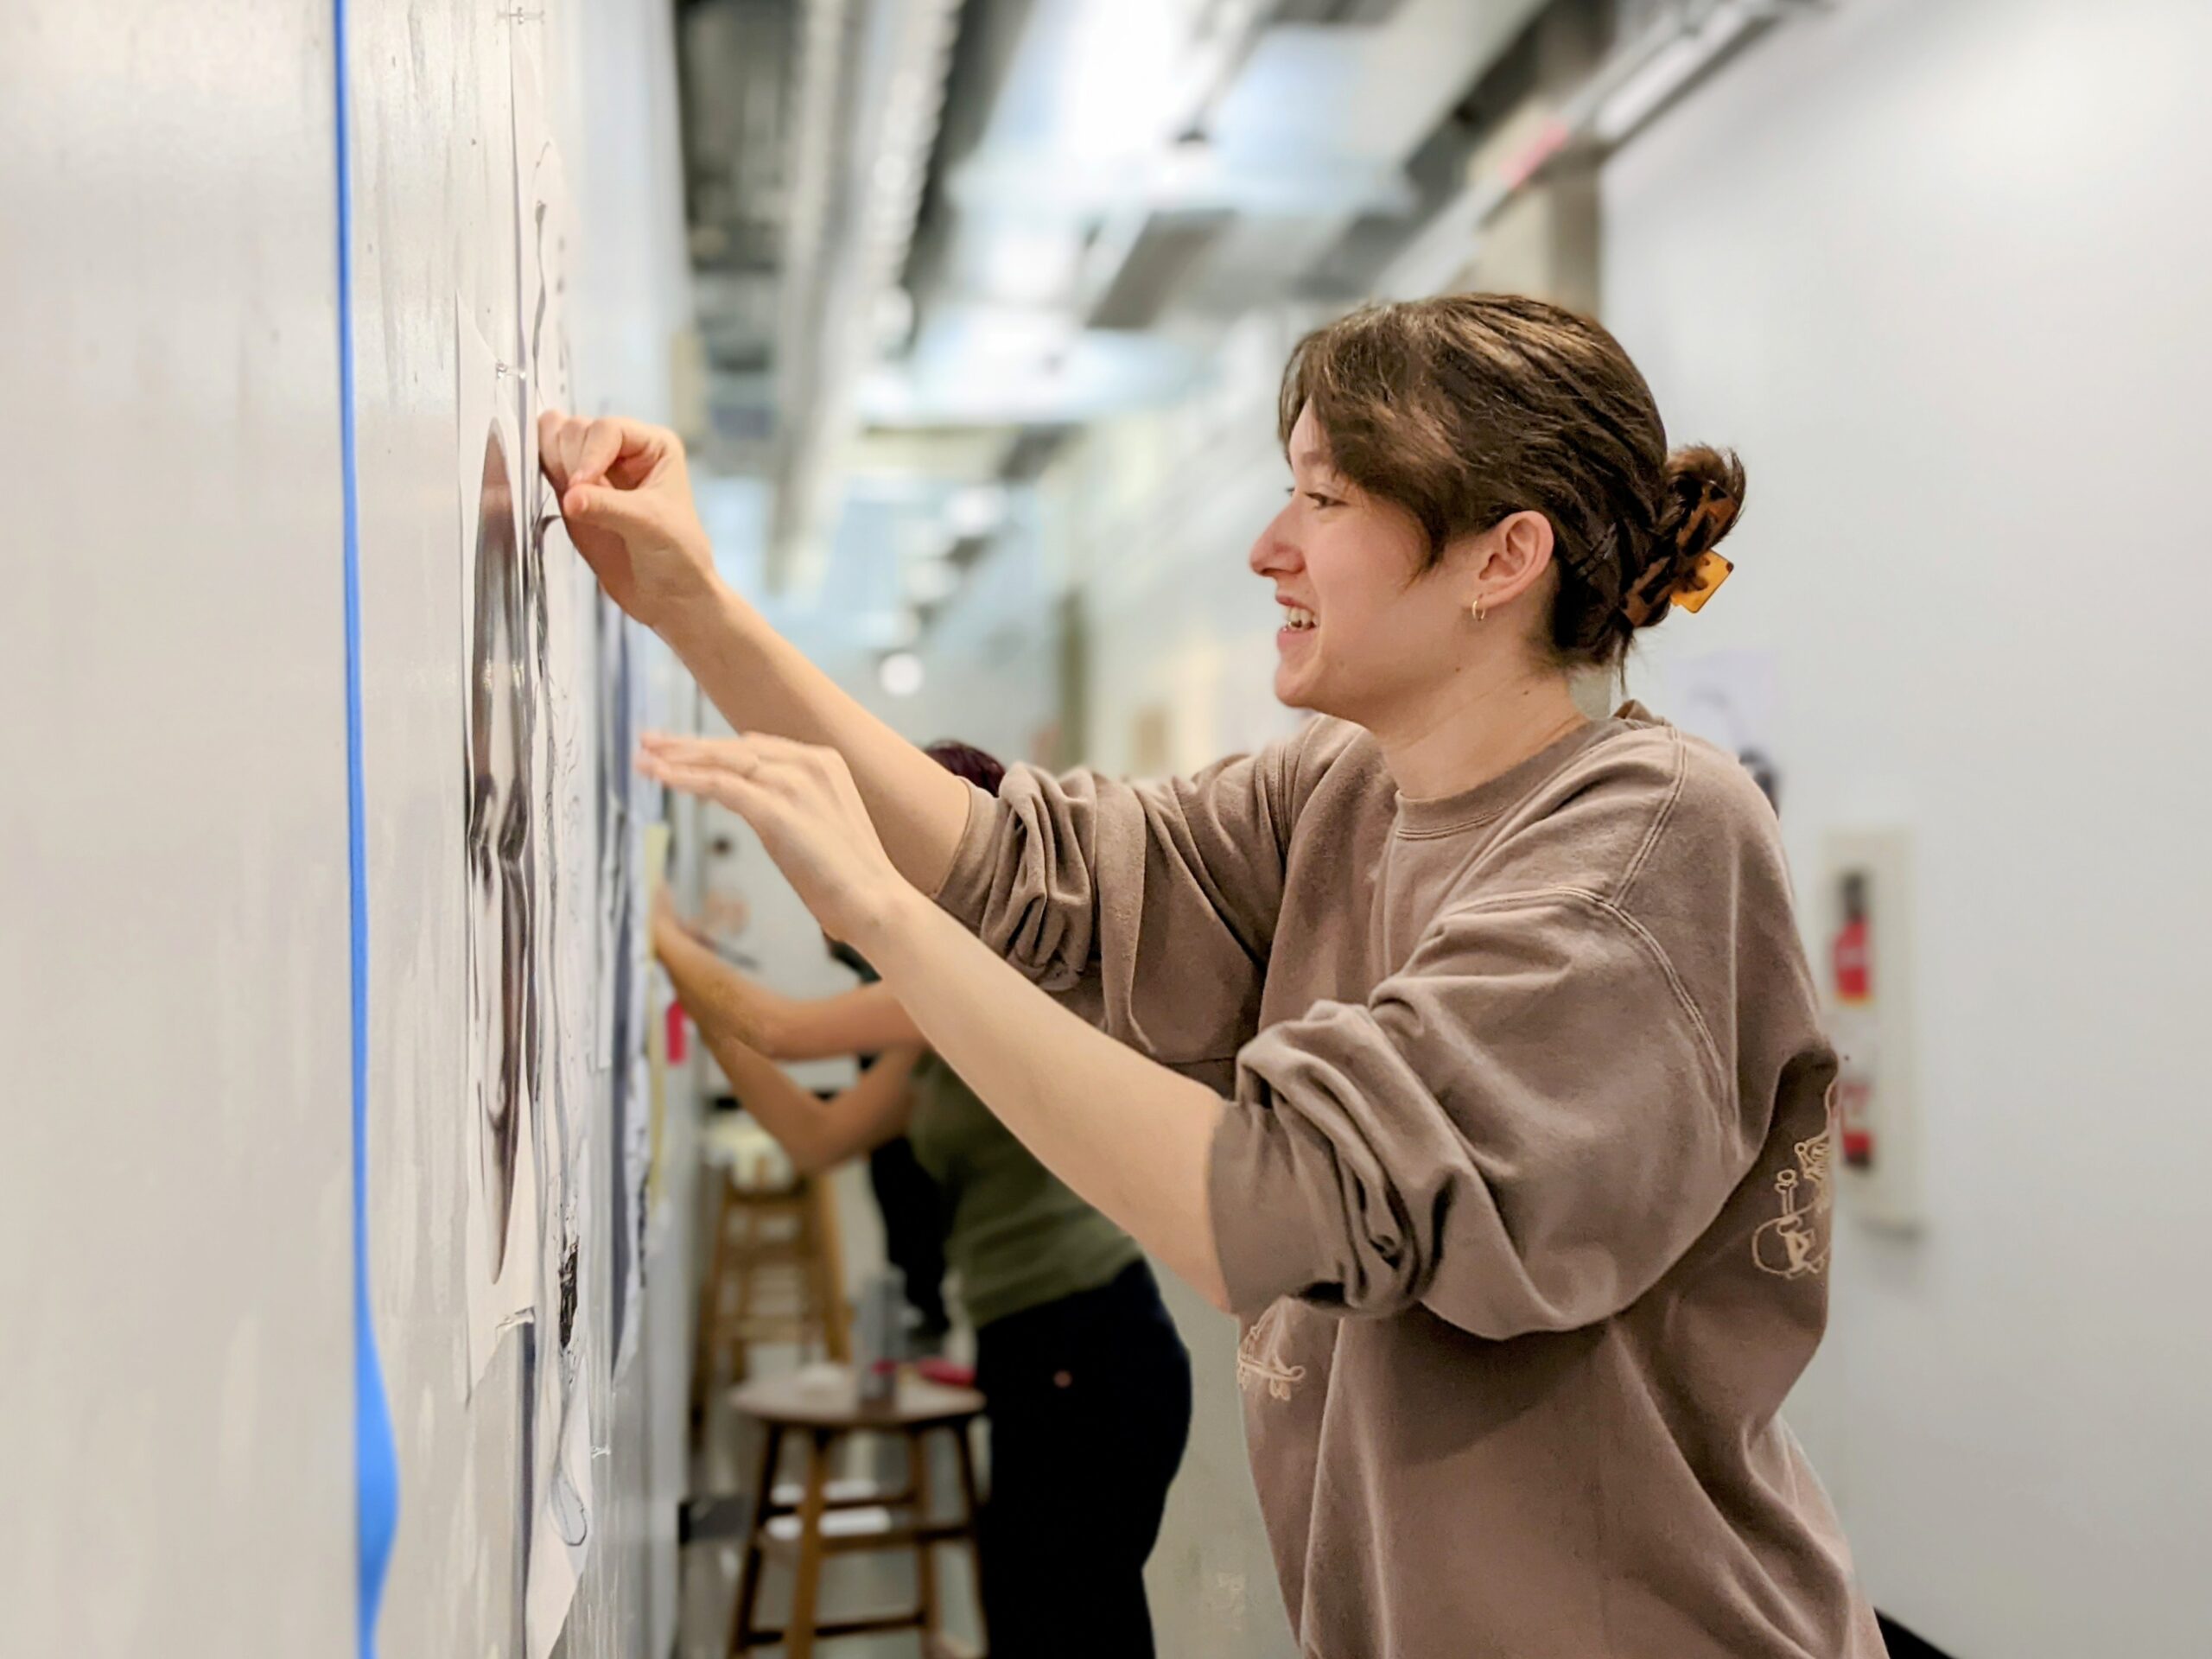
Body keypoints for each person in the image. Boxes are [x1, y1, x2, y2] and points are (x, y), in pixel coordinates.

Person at [543, 292, 1883, 1657]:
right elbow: (1027, 873)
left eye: (1325, 498)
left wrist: (888, 923)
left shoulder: (1649, 841)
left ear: (1503, 557)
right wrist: (696, 612)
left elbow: (1273, 1205)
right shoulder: (1343, 792)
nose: (1269, 548)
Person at [653, 739, 1192, 1659]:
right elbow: (816, 1135)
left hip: (1088, 1346)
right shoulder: (937, 1016)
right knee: (1040, 1622)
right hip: (1037, 1349)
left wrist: (658, 933)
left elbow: (784, 1028)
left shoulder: (981, 980)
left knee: (1063, 1627)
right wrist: (690, 977)